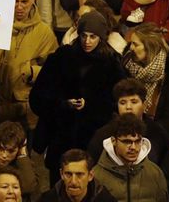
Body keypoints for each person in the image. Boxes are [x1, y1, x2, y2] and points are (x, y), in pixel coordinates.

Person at [31, 12, 127, 176]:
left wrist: (89, 105)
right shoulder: (61, 57)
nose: (87, 41)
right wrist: (62, 103)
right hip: (60, 134)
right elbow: (39, 95)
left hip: (91, 139)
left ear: (101, 38)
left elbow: (115, 102)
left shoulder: (111, 64)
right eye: (84, 35)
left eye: (92, 37)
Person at [0, 0, 58, 130]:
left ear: (33, 0)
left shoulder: (44, 33)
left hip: (24, 109)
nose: (19, 7)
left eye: (24, 2)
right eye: (15, 1)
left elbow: (55, 72)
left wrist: (31, 72)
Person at [92, 114, 169, 202]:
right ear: (113, 141)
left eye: (137, 141)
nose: (133, 147)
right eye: (127, 142)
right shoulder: (97, 176)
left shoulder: (155, 173)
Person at [37, 149, 118, 202]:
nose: (73, 181)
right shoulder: (48, 199)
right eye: (68, 174)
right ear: (61, 174)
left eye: (79, 174)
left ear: (90, 176)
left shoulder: (104, 199)